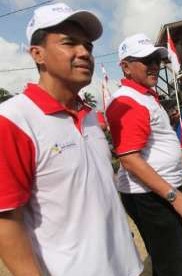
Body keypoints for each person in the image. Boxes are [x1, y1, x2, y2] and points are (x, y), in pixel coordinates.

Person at [0, 3, 142, 275]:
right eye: (69, 43)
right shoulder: (13, 120)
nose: (84, 53)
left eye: (88, 46)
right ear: (37, 54)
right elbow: (6, 220)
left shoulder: (88, 115)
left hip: (125, 266)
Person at [106, 33, 182, 276]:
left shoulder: (143, 96)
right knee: (174, 267)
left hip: (155, 192)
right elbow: (129, 159)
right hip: (150, 196)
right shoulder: (127, 101)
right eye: (146, 60)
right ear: (126, 67)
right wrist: (176, 197)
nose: (154, 65)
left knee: (167, 256)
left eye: (156, 59)